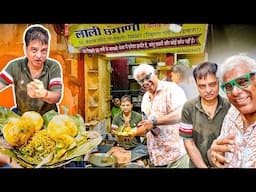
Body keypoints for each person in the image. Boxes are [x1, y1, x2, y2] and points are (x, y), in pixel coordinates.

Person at [0, 24, 63, 168]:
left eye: (44, 51)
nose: (39, 56)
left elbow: (57, 96)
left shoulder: (53, 66)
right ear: (25, 48)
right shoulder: (15, 66)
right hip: (24, 122)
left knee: (49, 161)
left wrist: (45, 94)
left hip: (49, 124)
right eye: (34, 50)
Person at [132, 63, 189, 168]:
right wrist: (131, 132)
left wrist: (154, 122)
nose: (145, 82)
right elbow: (147, 125)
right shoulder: (145, 98)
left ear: (155, 73)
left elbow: (182, 113)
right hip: (156, 158)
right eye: (141, 81)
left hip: (175, 156)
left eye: (148, 77)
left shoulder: (172, 89)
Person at [179, 62, 231, 168]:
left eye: (212, 84)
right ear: (196, 85)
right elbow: (189, 142)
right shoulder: (188, 108)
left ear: (219, 82)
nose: (208, 90)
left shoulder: (230, 107)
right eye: (202, 86)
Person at [208, 54, 256, 168]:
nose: (235, 92)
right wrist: (212, 154)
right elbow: (217, 152)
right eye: (228, 87)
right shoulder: (232, 113)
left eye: (243, 81)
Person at [110, 95, 148, 165]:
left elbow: (144, 133)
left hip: (136, 147)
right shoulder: (116, 117)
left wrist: (132, 132)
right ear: (120, 106)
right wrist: (119, 132)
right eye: (123, 105)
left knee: (146, 150)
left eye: (127, 105)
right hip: (122, 147)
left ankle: (131, 157)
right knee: (113, 154)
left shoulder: (138, 116)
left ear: (131, 105)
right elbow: (112, 132)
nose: (125, 107)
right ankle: (134, 158)